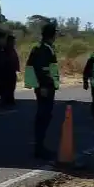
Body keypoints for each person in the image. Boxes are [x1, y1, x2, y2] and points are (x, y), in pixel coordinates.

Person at [24, 23, 60, 159]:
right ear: (52, 34)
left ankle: (40, 146)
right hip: (45, 87)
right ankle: (39, 148)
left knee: (45, 115)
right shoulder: (43, 49)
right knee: (43, 116)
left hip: (46, 86)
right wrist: (44, 86)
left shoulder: (45, 48)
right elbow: (41, 68)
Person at [3, 34, 20, 105]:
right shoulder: (6, 49)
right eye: (13, 41)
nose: (14, 42)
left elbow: (16, 59)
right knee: (8, 85)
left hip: (12, 70)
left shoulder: (12, 49)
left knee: (12, 86)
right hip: (7, 71)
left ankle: (10, 99)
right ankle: (8, 100)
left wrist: (17, 68)